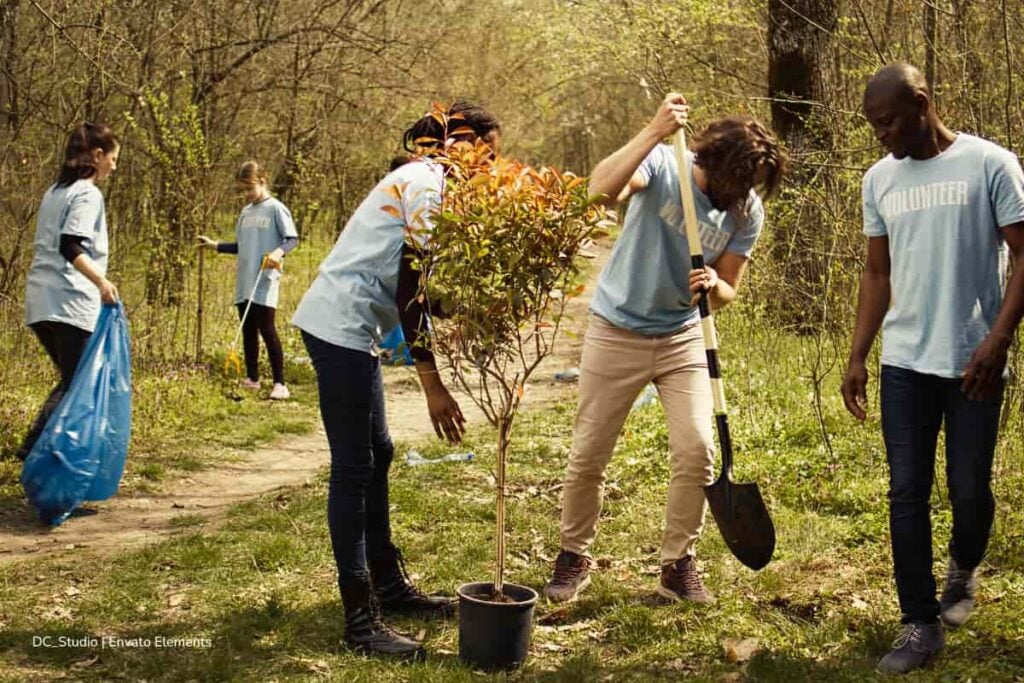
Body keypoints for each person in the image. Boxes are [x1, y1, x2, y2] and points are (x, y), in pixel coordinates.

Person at [543, 94, 786, 605]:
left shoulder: (748, 212)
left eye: (750, 186)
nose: (740, 194)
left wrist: (714, 286)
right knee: (589, 452)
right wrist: (653, 130)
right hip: (617, 328)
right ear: (710, 162)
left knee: (698, 450)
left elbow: (729, 291)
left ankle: (678, 564)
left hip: (681, 336)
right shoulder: (663, 163)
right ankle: (574, 555)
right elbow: (597, 192)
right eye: (735, 181)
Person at [291, 101, 502, 658]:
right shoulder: (429, 185)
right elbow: (412, 292)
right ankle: (360, 621)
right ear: (463, 143)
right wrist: (433, 386)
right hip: (339, 327)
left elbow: (424, 290)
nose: (491, 167)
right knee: (355, 466)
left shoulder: (424, 180)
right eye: (489, 153)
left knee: (377, 453)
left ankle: (389, 586)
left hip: (350, 327)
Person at [841, 64, 1024, 675]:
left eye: (887, 120)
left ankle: (963, 570)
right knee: (906, 492)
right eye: (873, 125)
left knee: (970, 490)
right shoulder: (879, 180)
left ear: (921, 104)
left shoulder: (991, 164)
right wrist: (859, 353)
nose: (880, 134)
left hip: (974, 362)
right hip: (904, 363)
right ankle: (918, 623)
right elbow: (877, 273)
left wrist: (998, 341)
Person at [17, 122, 121, 462]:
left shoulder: (55, 191)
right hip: (69, 301)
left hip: (40, 302)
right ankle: (37, 449)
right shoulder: (87, 193)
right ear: (97, 155)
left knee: (71, 381)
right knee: (76, 385)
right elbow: (70, 244)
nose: (114, 166)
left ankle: (46, 449)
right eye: (113, 158)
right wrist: (101, 282)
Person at [198, 161, 299, 400]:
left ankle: (280, 383)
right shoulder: (245, 213)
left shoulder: (276, 208)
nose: (246, 194)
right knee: (248, 330)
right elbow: (242, 246)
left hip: (265, 278)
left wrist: (277, 253)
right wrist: (216, 246)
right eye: (242, 189)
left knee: (267, 328)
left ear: (262, 181)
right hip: (245, 279)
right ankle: (253, 378)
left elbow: (292, 239)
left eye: (249, 188)